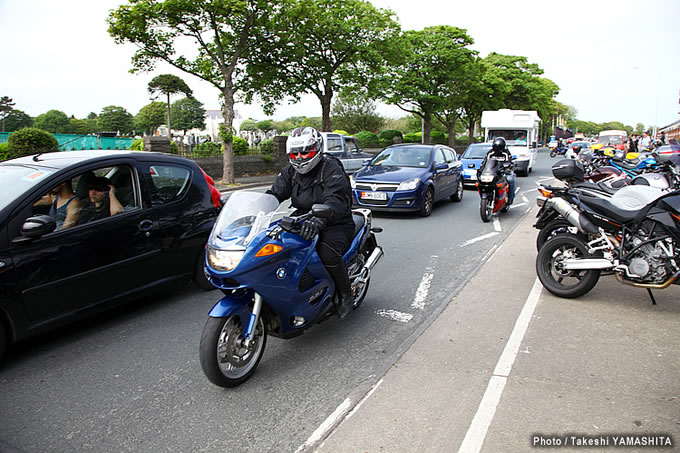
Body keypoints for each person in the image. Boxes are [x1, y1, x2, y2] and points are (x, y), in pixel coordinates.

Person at [267, 127, 356, 319]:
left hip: (335, 221)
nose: (299, 157)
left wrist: (319, 219)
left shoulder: (331, 167)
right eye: (295, 153)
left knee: (326, 253)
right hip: (303, 218)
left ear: (317, 149)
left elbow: (335, 199)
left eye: (304, 152)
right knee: (275, 244)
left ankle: (345, 294)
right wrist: (253, 210)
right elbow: (274, 194)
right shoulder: (290, 171)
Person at [479, 137, 515, 204]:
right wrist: (481, 169)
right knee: (480, 181)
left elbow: (509, 162)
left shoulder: (506, 153)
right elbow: (485, 162)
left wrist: (508, 168)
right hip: (493, 172)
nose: (497, 150)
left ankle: (510, 197)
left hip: (503, 171)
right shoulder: (490, 153)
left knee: (510, 179)